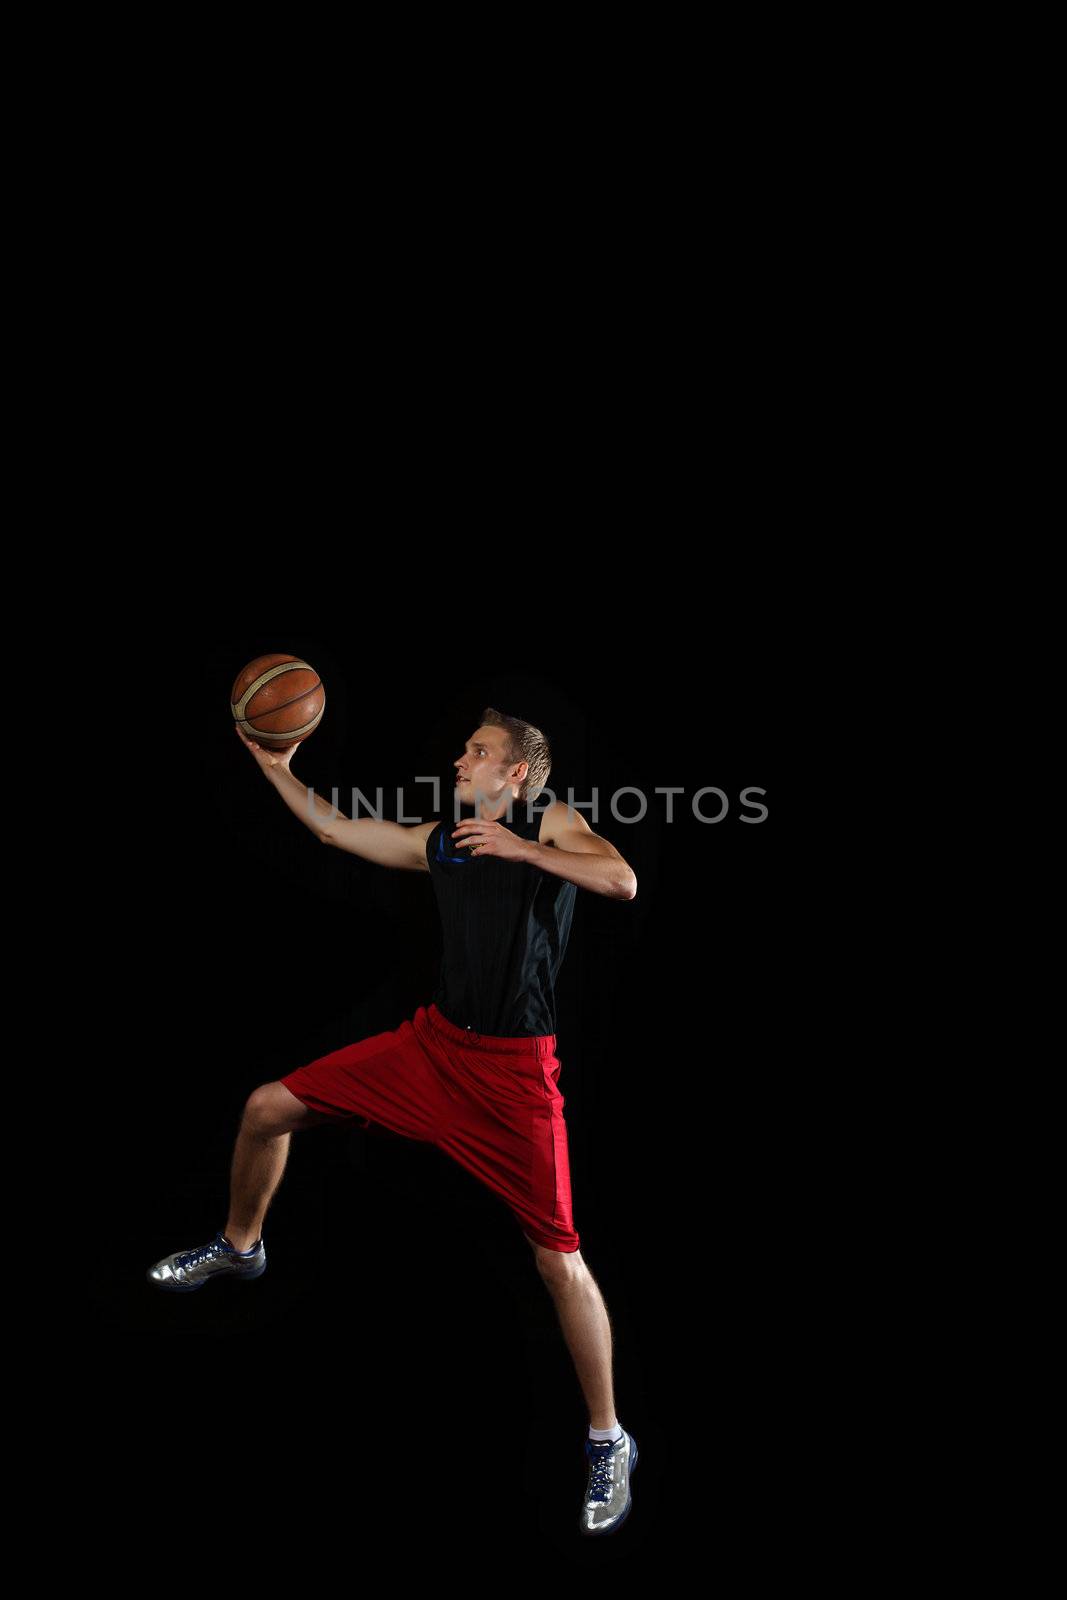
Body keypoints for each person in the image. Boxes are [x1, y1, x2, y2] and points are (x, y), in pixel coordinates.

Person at [147, 705, 640, 1536]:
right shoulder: (449, 835)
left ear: (515, 772)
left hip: (515, 1079)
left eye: (476, 751)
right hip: (433, 1049)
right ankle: (241, 1248)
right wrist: (275, 765)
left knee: (559, 1261)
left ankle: (608, 1438)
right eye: (463, 748)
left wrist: (526, 848)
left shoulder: (547, 820)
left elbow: (621, 880)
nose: (459, 758)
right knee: (266, 1108)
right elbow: (341, 835)